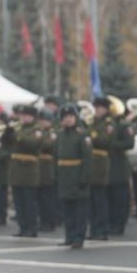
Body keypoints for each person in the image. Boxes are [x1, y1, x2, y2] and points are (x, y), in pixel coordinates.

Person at [55, 103, 92, 249]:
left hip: (77, 176)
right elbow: (55, 157)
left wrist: (84, 178)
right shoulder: (60, 135)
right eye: (65, 117)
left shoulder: (82, 134)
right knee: (67, 210)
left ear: (75, 117)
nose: (68, 120)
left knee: (79, 211)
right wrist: (56, 174)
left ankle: (79, 237)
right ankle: (69, 236)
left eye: (70, 117)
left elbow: (87, 158)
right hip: (64, 177)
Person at [4, 104, 43, 237]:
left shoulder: (37, 130)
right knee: (19, 201)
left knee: (29, 201)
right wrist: (7, 134)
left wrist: (16, 135)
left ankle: (32, 228)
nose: (24, 118)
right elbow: (8, 145)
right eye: (23, 116)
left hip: (29, 169)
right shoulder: (18, 128)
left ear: (33, 117)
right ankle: (22, 227)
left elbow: (32, 144)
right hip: (16, 170)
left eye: (27, 116)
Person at [107, 98, 134, 235]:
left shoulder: (124, 126)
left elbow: (129, 143)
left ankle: (119, 224)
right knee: (109, 197)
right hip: (107, 164)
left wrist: (112, 144)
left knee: (120, 197)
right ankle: (111, 223)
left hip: (119, 164)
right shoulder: (106, 124)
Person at [87, 97, 113, 239]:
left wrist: (92, 136)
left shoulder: (108, 124)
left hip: (101, 163)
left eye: (100, 108)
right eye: (96, 107)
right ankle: (94, 229)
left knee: (100, 200)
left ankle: (103, 230)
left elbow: (105, 141)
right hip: (91, 163)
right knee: (91, 200)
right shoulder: (92, 122)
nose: (97, 110)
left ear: (106, 109)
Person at [37, 108, 59, 231]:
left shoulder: (52, 133)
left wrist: (38, 139)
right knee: (41, 197)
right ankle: (43, 220)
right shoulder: (40, 132)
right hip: (39, 167)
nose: (42, 123)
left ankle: (50, 221)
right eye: (41, 120)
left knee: (48, 198)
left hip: (48, 166)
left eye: (44, 120)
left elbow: (48, 145)